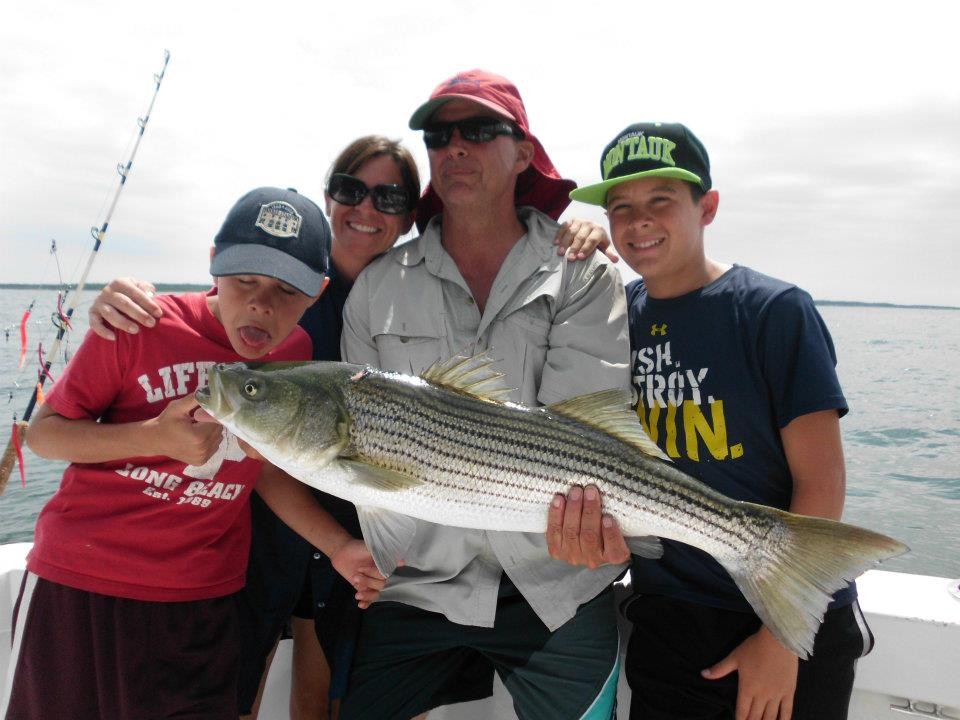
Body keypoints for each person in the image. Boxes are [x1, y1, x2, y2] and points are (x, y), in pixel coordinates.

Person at [87, 132, 616, 719]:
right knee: (239, 685)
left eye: (389, 198)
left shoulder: (400, 285)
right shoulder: (284, 284)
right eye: (349, 189)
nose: (366, 209)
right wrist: (125, 296)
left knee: (322, 693)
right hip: (276, 519)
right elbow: (215, 312)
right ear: (329, 196)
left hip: (357, 525)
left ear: (411, 211)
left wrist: (576, 230)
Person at [0, 187, 384, 720]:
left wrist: (339, 547)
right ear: (212, 265)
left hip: (201, 602)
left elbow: (263, 467)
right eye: (244, 279)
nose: (260, 303)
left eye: (285, 289)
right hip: (79, 583)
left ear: (317, 293)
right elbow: (44, 434)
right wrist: (153, 436)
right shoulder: (139, 325)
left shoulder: (293, 355)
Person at [335, 69, 631, 720]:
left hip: (559, 588)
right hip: (418, 590)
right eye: (439, 135)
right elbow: (359, 448)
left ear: (523, 152)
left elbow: (590, 431)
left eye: (480, 129)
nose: (455, 147)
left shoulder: (581, 271)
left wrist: (611, 523)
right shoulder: (376, 287)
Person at [564, 122, 872, 720]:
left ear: (707, 207)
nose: (640, 222)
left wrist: (781, 639)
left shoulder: (773, 311)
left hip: (787, 614)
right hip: (668, 615)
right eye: (622, 208)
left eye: (661, 202)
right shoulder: (612, 318)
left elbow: (822, 481)